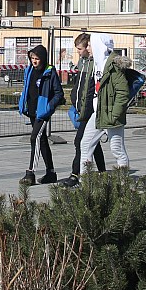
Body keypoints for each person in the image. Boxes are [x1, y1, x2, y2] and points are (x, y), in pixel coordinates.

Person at [57, 33, 105, 187]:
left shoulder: (96, 63)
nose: (78, 52)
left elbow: (90, 89)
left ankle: (75, 174)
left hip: (90, 109)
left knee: (80, 141)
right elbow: (79, 85)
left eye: (80, 49)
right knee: (93, 142)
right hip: (81, 107)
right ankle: (102, 172)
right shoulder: (82, 62)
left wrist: (85, 107)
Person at [78, 34, 130, 173]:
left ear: (98, 45)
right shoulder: (96, 63)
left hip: (111, 115)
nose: (88, 49)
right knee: (85, 145)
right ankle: (85, 181)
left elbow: (122, 92)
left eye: (90, 45)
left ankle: (123, 182)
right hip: (98, 113)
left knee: (117, 149)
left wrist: (114, 115)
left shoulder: (113, 65)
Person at [17, 44, 64, 185]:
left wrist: (49, 107)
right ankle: (51, 173)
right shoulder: (30, 70)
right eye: (32, 58)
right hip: (31, 110)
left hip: (42, 112)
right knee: (42, 141)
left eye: (37, 58)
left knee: (34, 138)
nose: (34, 61)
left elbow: (59, 94)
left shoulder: (50, 72)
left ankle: (30, 173)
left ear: (42, 59)